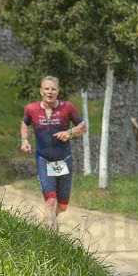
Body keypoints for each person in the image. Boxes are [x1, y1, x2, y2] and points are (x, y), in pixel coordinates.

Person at [20, 76, 87, 230]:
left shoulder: (67, 108)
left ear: (58, 91)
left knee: (62, 205)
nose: (49, 92)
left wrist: (69, 132)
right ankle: (51, 236)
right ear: (41, 91)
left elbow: (83, 127)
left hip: (64, 160)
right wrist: (24, 139)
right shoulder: (31, 108)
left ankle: (52, 219)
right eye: (46, 89)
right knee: (50, 200)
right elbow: (25, 123)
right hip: (43, 160)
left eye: (53, 89)